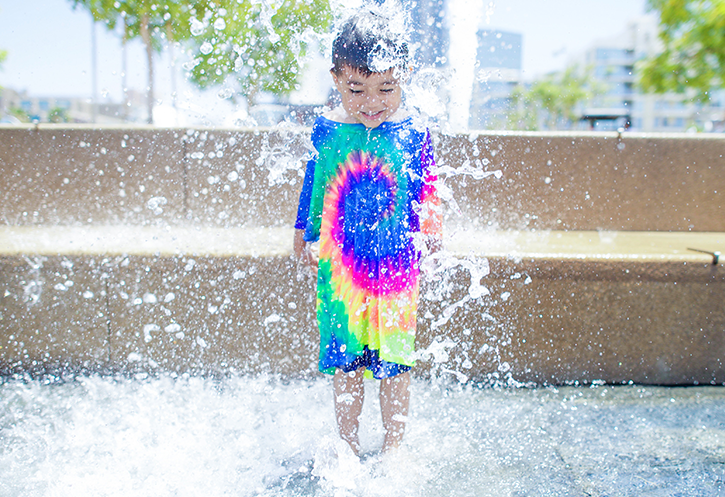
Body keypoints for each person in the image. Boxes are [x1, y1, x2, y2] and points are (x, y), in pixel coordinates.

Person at [293, 7, 442, 456]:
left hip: (396, 265)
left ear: (405, 77)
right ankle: (349, 446)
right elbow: (314, 186)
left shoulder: (414, 131)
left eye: (386, 88)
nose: (371, 101)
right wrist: (302, 233)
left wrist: (432, 236)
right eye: (357, 88)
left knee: (396, 359)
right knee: (346, 361)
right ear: (337, 79)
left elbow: (428, 189)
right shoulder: (327, 131)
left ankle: (394, 446)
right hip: (341, 268)